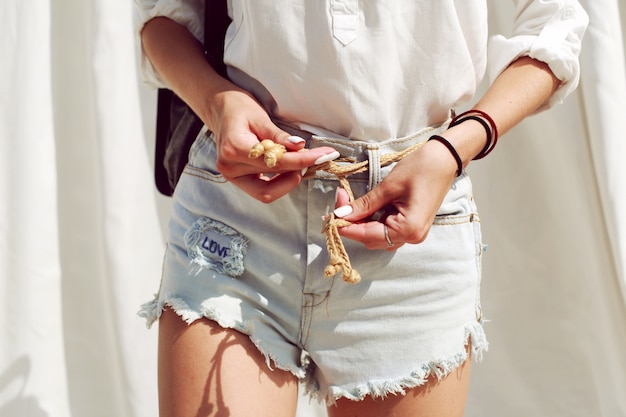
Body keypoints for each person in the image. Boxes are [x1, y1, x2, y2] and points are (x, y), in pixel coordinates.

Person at [134, 1, 588, 416]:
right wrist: (217, 104)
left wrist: (453, 149)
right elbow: (162, 17)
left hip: (408, 236)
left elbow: (556, 26)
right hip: (239, 219)